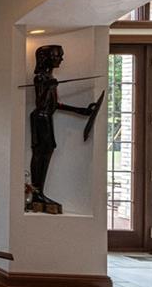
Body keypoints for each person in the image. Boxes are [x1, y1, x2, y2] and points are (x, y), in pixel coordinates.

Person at [29, 45, 101, 211]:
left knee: (47, 152)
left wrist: (80, 110)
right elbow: (41, 103)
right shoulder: (41, 77)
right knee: (42, 153)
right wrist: (49, 86)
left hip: (46, 117)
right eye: (57, 56)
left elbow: (54, 104)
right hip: (41, 118)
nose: (61, 59)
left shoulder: (48, 77)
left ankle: (38, 191)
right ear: (47, 58)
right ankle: (36, 192)